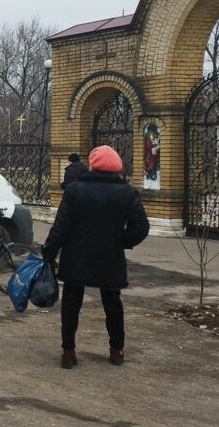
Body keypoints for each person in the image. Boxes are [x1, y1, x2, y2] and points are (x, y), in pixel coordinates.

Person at [43, 145, 149, 369]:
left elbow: (61, 226)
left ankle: (69, 351)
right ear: (116, 167)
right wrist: (122, 241)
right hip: (110, 258)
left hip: (76, 256)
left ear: (92, 165)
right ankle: (116, 350)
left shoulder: (75, 190)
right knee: (112, 303)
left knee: (71, 303)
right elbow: (141, 228)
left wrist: (50, 251)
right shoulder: (127, 192)